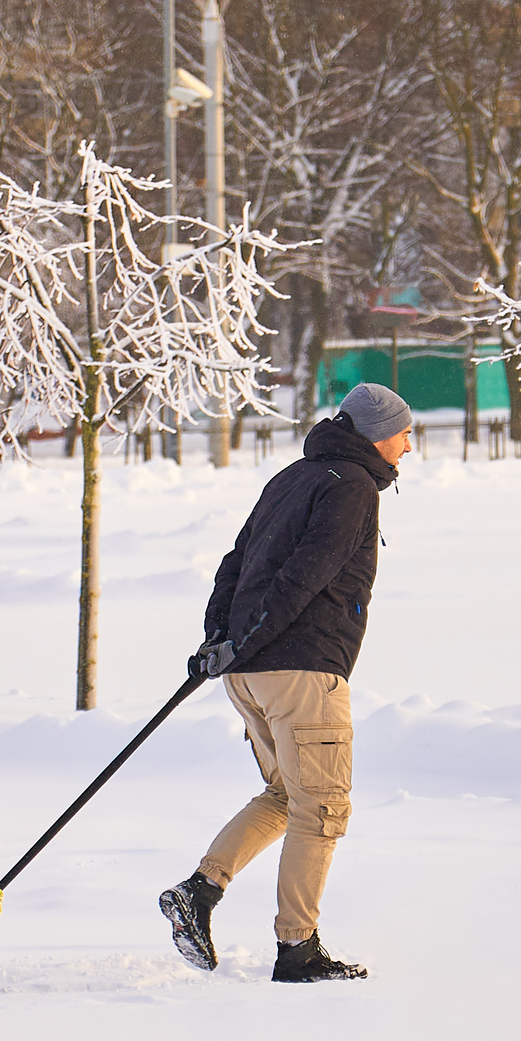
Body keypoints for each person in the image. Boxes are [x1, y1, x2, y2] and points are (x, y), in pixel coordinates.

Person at [159, 382, 413, 984]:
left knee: (287, 796)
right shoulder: (352, 488)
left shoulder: (291, 479)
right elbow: (304, 576)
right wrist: (243, 639)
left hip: (252, 673)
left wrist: (220, 641)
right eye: (405, 433)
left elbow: (234, 563)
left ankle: (200, 890)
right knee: (323, 809)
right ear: (378, 434)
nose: (409, 447)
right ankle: (297, 949)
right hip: (300, 669)